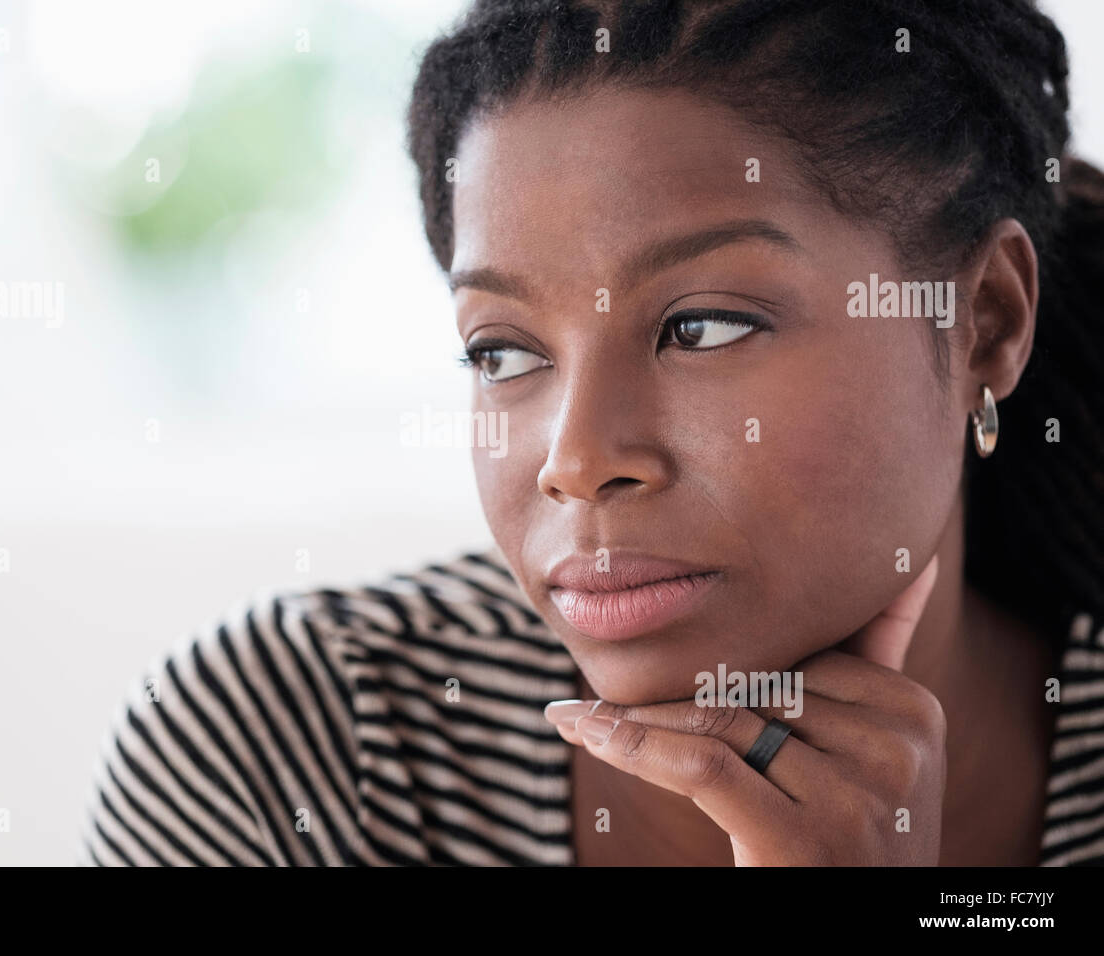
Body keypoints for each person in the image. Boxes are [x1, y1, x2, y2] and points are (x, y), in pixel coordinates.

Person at [80, 0, 1104, 866]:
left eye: (701, 326)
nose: (575, 462)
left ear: (983, 323)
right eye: (503, 351)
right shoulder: (288, 756)